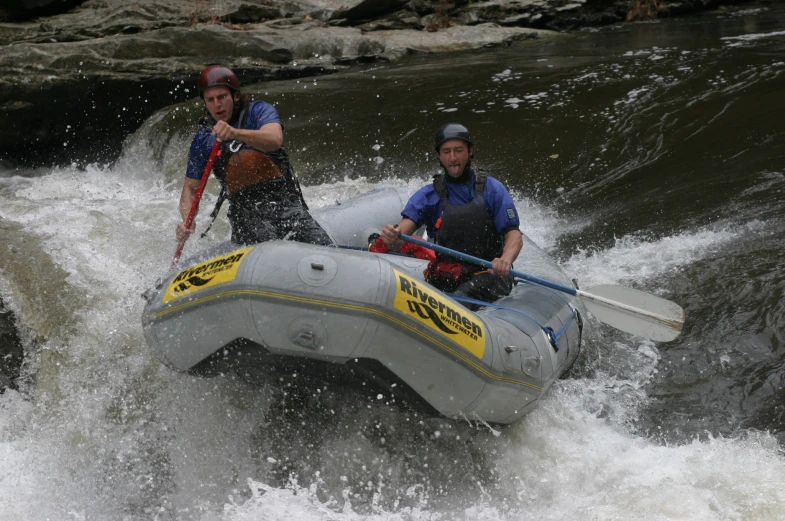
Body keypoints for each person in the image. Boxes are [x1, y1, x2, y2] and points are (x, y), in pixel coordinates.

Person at [176, 64, 333, 247]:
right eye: (210, 100)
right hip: (245, 214)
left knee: (325, 250)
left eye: (222, 97)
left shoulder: (259, 111)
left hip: (285, 203)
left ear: (235, 96)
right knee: (274, 254)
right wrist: (187, 220)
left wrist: (235, 133)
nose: (217, 104)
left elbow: (274, 139)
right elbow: (190, 189)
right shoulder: (203, 138)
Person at [381, 123, 523, 306]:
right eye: (446, 151)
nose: (453, 158)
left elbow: (514, 235)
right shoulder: (428, 196)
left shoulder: (492, 189)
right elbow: (401, 236)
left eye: (459, 150)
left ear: (470, 152)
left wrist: (505, 260)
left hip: (489, 275)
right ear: (439, 155)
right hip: (447, 275)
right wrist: (392, 236)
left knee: (458, 301)